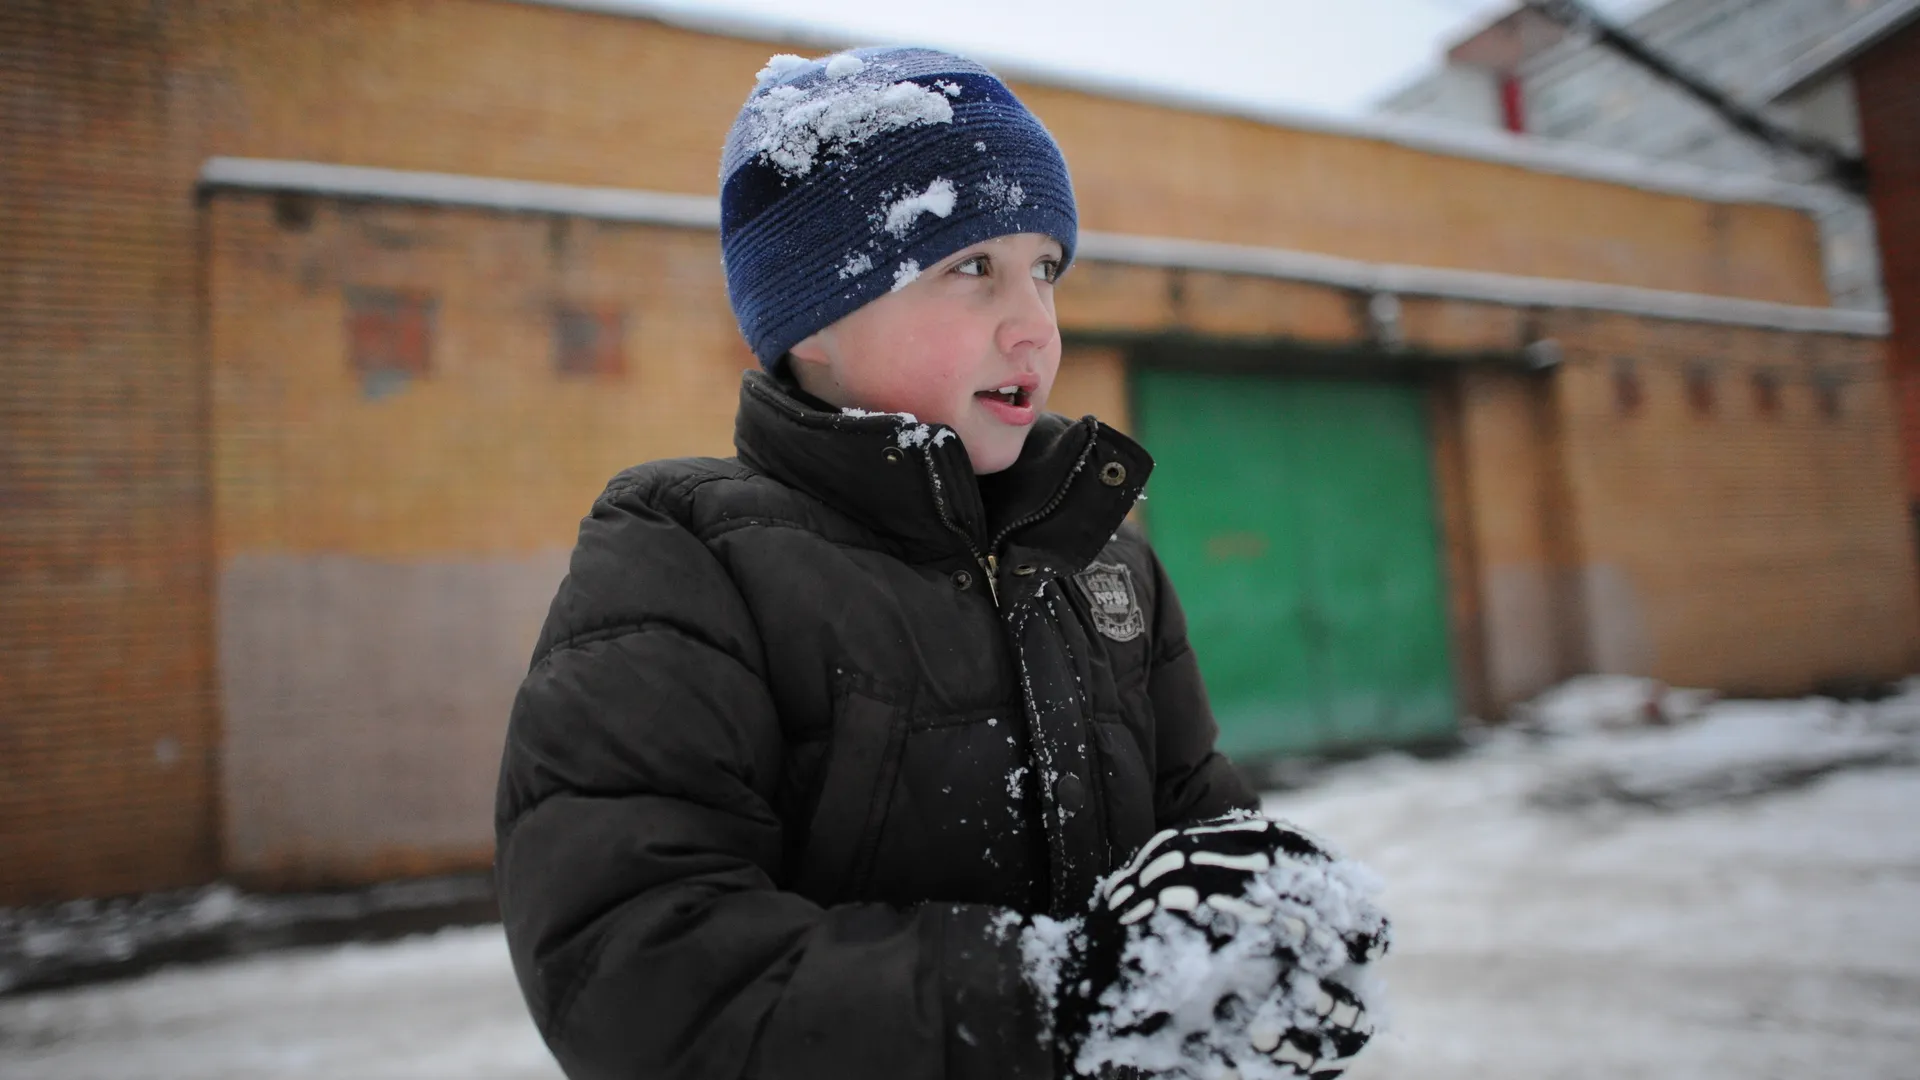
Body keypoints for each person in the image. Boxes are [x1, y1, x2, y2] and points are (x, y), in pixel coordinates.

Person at [494, 46, 1386, 1080]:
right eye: (973, 269)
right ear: (813, 318)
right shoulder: (687, 557)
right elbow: (635, 966)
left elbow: (1195, 821)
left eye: (1045, 270)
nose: (1034, 328)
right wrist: (1051, 999)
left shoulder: (1105, 566)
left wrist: (1267, 930)